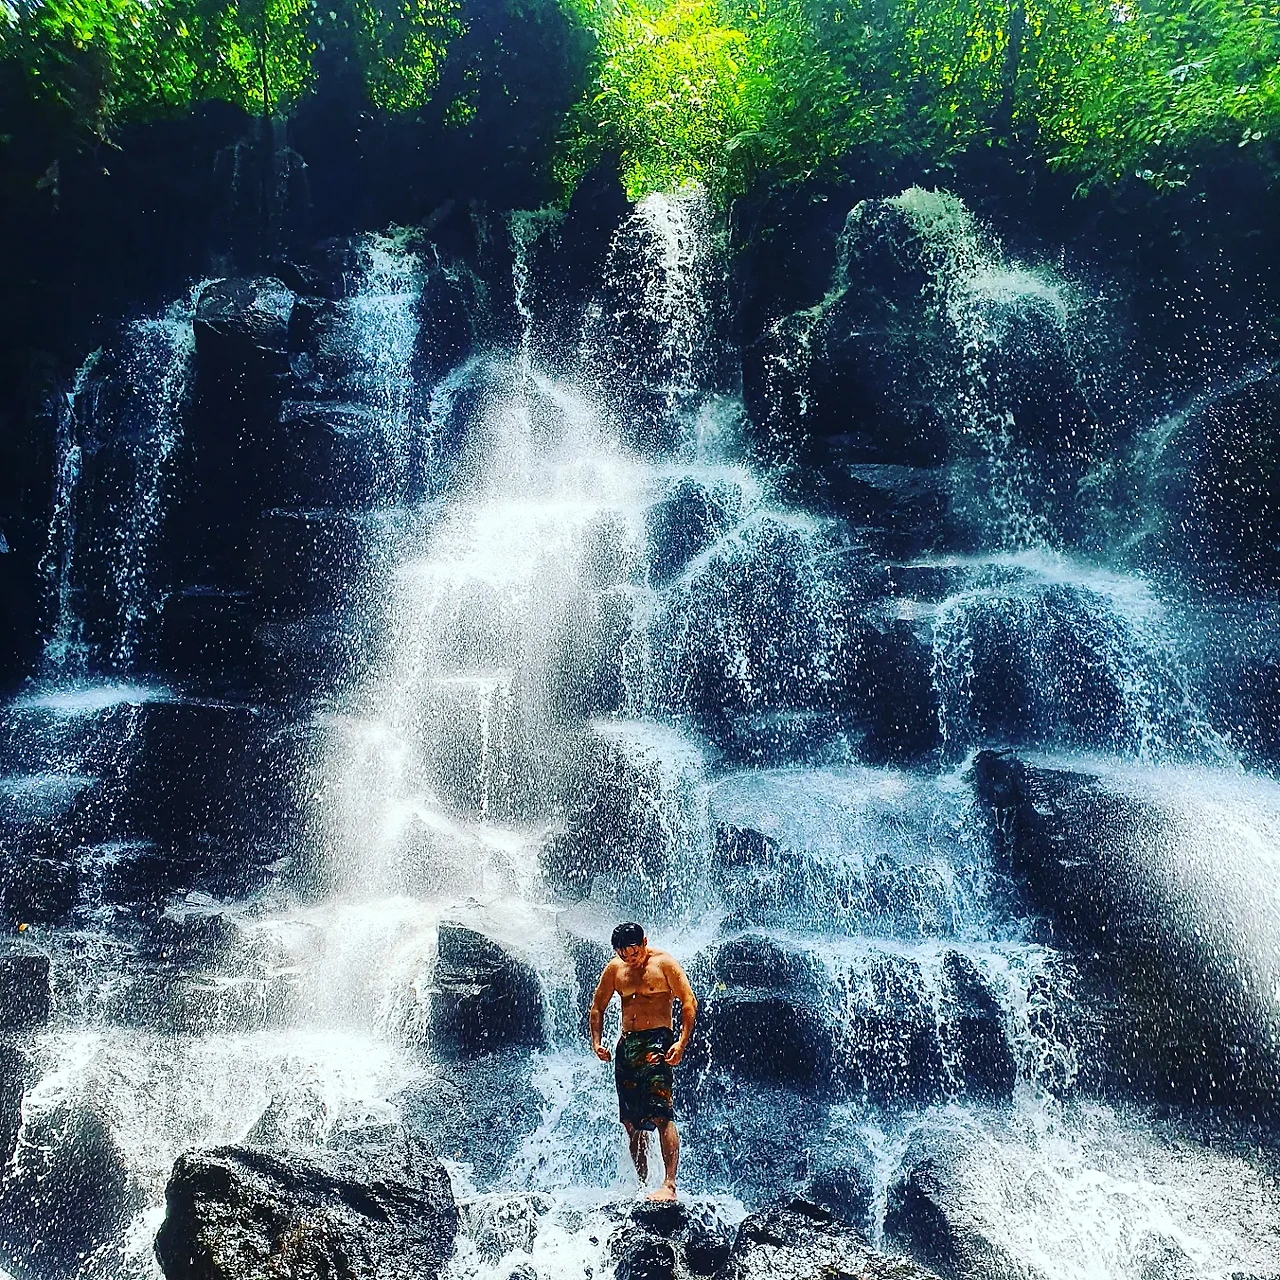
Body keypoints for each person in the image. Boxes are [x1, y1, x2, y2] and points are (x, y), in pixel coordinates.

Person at [589, 921, 697, 1202]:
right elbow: (598, 1007)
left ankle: (669, 1185)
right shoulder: (615, 969)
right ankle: (642, 1184)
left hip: (657, 1042)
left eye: (634, 952)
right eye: (624, 954)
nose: (630, 959)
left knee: (661, 1113)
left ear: (644, 942)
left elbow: (688, 1002)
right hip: (628, 1045)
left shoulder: (664, 964)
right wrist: (597, 1042)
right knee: (631, 1122)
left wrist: (681, 1042)